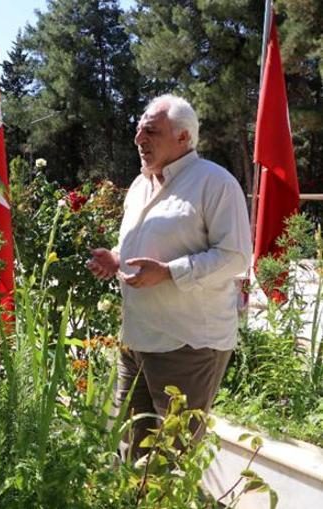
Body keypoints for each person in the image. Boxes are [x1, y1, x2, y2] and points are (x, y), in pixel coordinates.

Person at [87, 94, 251, 457]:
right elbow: (144, 249)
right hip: (137, 341)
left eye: (151, 131)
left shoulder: (214, 183)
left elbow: (236, 257)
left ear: (183, 137)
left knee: (173, 456)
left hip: (187, 345)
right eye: (138, 131)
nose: (139, 140)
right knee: (131, 449)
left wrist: (170, 273)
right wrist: (116, 259)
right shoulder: (140, 185)